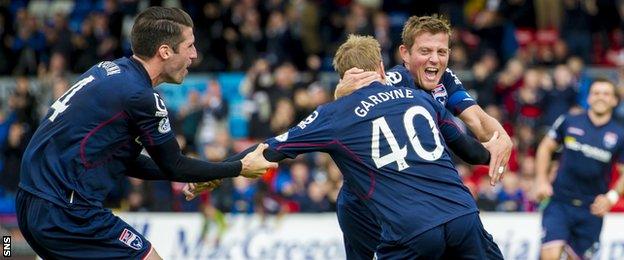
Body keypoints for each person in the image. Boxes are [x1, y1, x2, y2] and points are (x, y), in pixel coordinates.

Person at [188, 34, 503, 259]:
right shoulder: (421, 97)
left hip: (412, 230)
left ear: (342, 78)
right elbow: (469, 151)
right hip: (462, 216)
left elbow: (266, 151)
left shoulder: (333, 115)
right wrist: (498, 152)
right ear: (381, 68)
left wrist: (214, 173)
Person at [15, 7, 276, 260]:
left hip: (32, 201)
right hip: (67, 211)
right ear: (164, 51)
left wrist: (200, 172)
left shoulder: (108, 69)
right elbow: (175, 165)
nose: (195, 55)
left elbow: (130, 160)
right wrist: (238, 167)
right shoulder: (141, 97)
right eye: (189, 46)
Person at [332, 14, 513, 259]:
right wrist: (339, 96)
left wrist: (502, 139)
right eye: (426, 51)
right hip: (366, 205)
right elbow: (345, 110)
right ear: (405, 54)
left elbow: (478, 120)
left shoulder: (444, 81)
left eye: (442, 52)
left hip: (419, 210)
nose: (435, 59)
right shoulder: (391, 82)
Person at [534, 79, 624, 260]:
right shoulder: (569, 120)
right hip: (559, 202)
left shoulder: (620, 133)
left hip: (591, 209)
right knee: (549, 256)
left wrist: (611, 197)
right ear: (589, 98)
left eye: (606, 94)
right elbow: (545, 148)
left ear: (615, 101)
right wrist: (541, 180)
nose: (601, 98)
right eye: (596, 93)